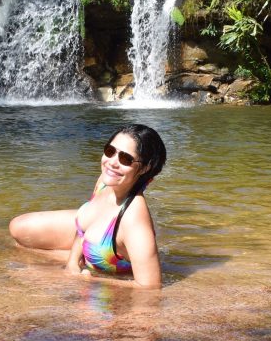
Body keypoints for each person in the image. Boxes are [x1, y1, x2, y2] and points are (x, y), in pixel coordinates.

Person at [9, 124, 167, 289]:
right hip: (90, 253)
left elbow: (150, 286)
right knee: (19, 230)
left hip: (105, 262)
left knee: (25, 271)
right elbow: (82, 230)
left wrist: (88, 281)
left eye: (126, 159)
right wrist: (71, 263)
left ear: (145, 168)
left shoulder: (134, 218)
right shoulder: (105, 182)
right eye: (110, 151)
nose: (112, 162)